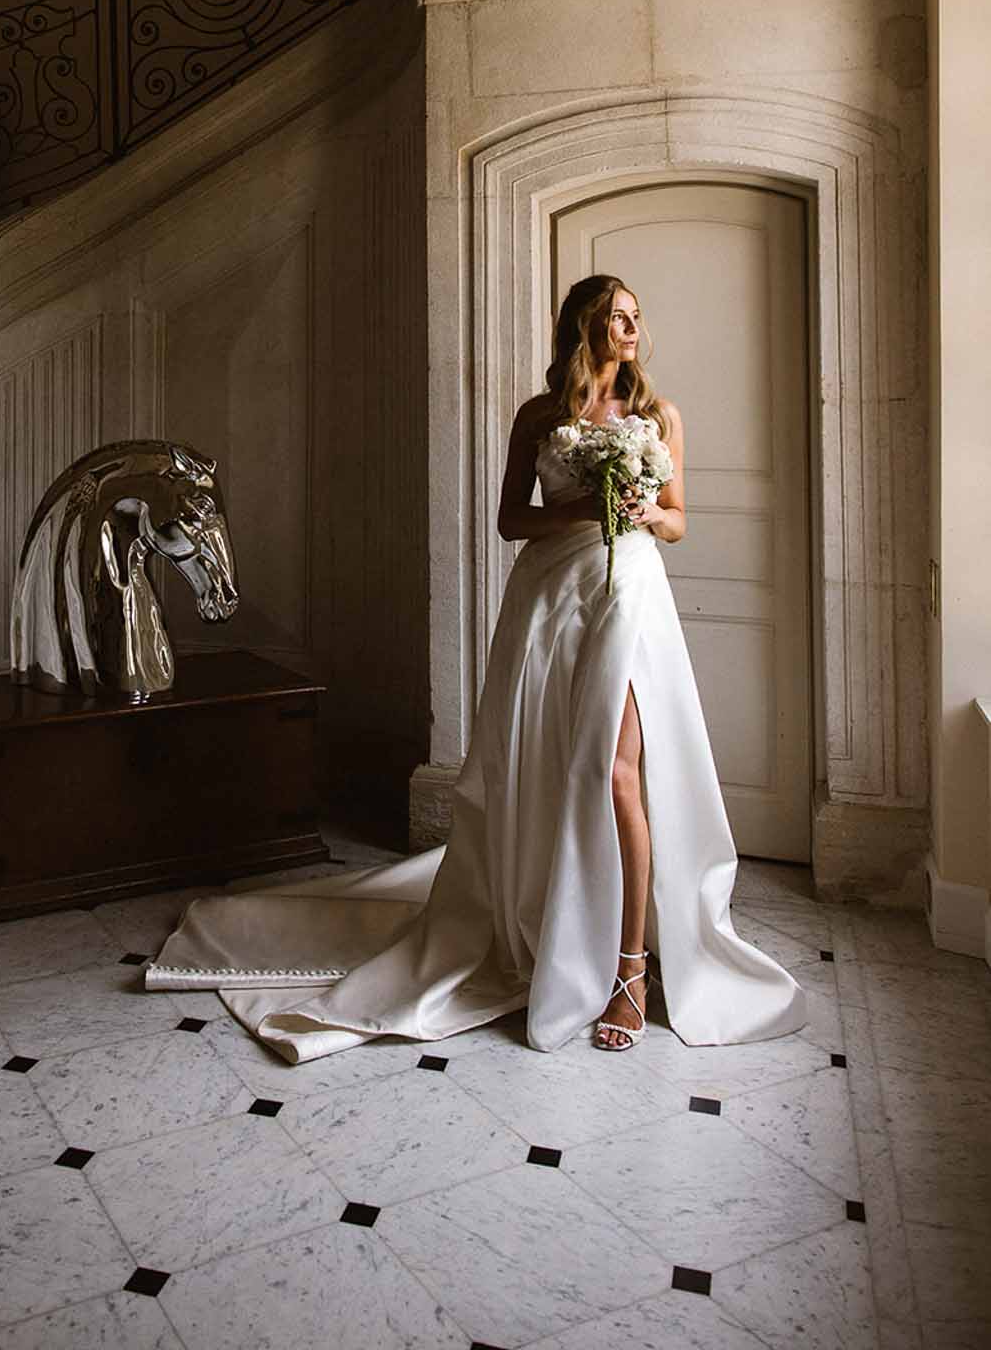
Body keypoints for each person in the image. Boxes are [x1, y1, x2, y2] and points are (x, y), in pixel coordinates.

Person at [146, 273, 805, 1061]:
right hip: (552, 600)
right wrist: (578, 506)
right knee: (552, 766)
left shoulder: (659, 415)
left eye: (636, 316)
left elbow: (679, 522)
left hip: (629, 595)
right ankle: (549, 922)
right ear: (584, 326)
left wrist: (640, 509)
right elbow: (508, 520)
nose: (632, 327)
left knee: (619, 772)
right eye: (617, 316)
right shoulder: (540, 415)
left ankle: (630, 966)